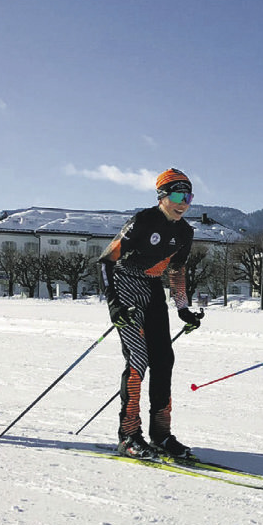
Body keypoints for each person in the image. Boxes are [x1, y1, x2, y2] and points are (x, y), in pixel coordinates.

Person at [99, 168, 204, 459]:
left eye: (189, 196)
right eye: (178, 195)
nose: (184, 202)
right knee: (138, 359)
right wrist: (113, 304)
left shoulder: (185, 232)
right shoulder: (143, 221)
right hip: (125, 286)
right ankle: (129, 436)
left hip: (152, 289)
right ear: (162, 196)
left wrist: (183, 309)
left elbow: (177, 270)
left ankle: (161, 435)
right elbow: (107, 260)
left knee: (164, 360)